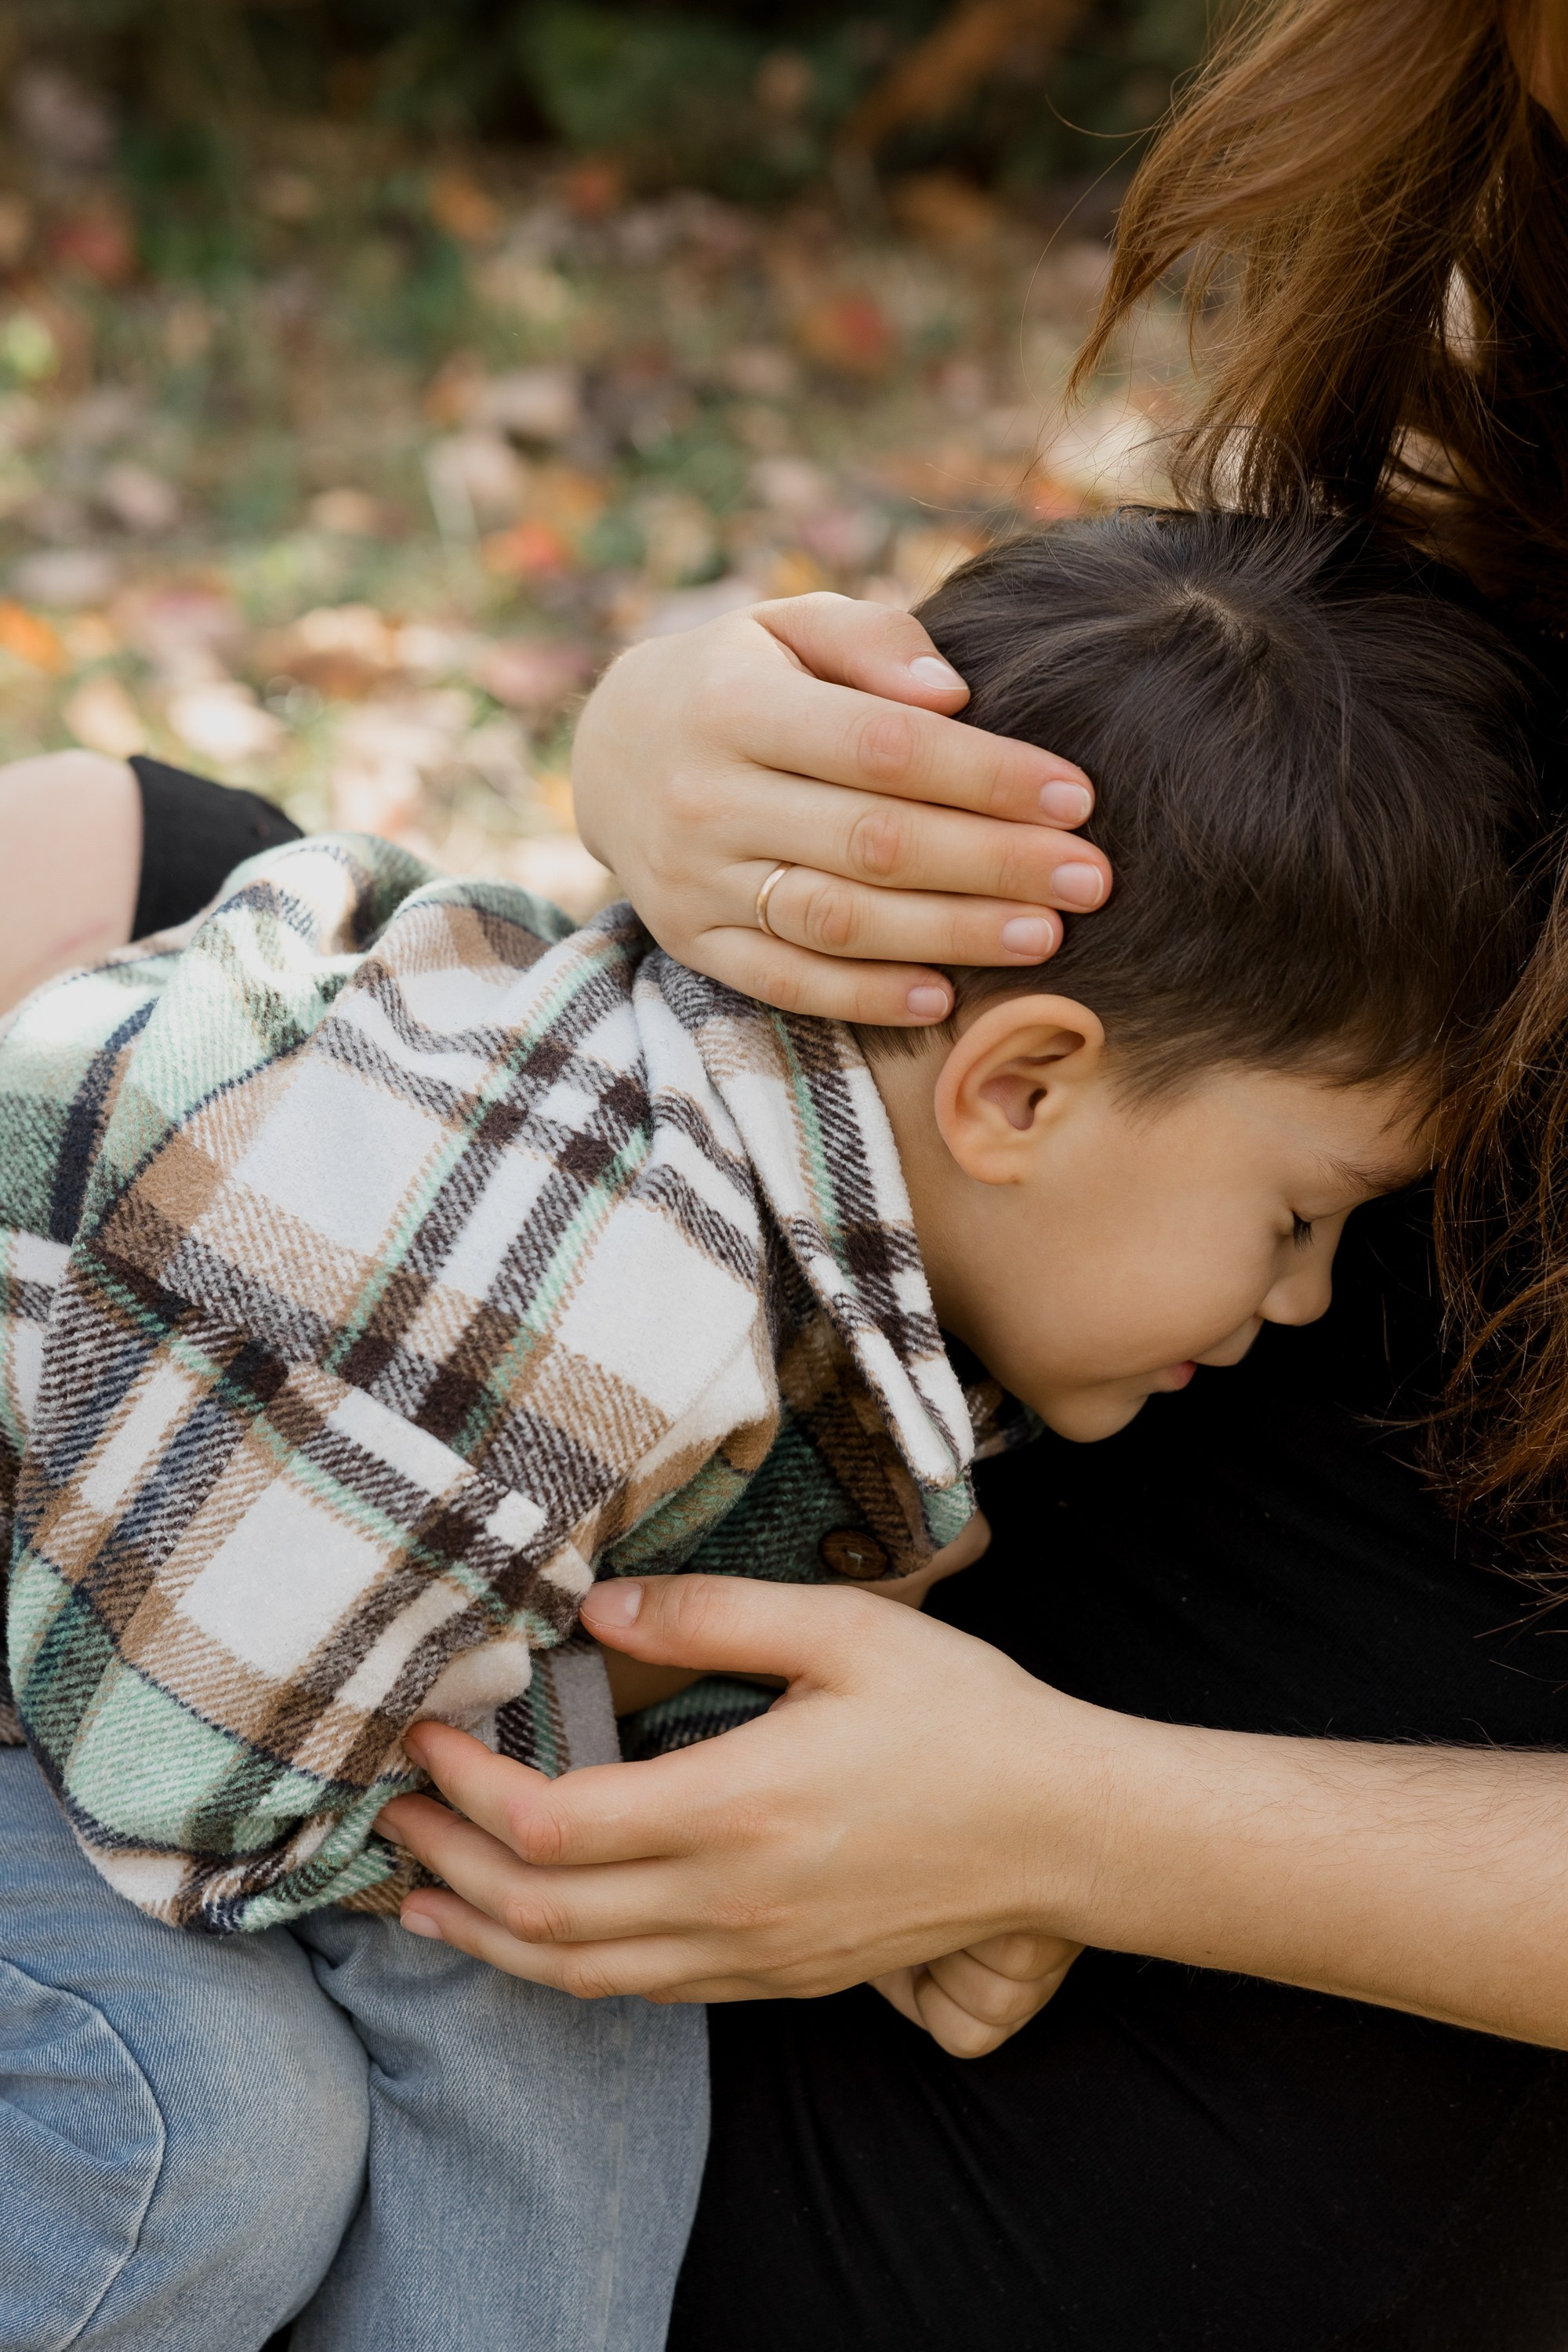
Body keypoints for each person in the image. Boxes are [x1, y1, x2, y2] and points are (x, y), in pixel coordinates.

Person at [0, 503, 1531, 2350]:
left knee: (567, 2109)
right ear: (1020, 1086)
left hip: (258, 1689)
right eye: (1300, 1221)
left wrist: (904, 1837)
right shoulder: (605, 1314)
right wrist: (587, 1767)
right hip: (106, 1678)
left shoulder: (857, 1277)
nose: (1300, 1302)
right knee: (198, 2139)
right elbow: (179, 1757)